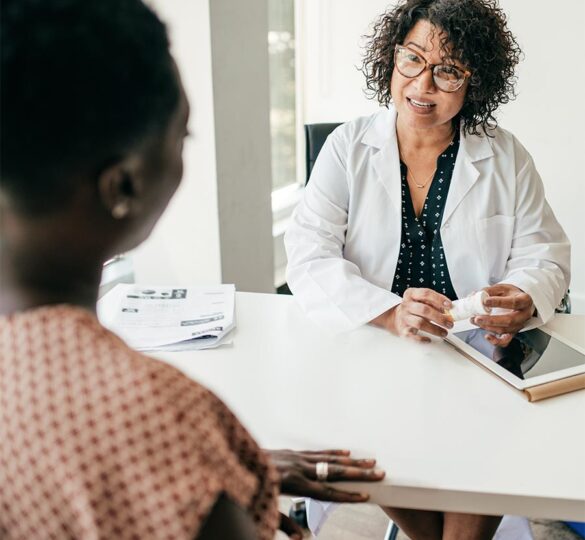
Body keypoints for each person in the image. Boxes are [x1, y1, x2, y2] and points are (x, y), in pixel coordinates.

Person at [0, 1, 385, 538]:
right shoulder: (156, 415)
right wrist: (188, 462)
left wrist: (201, 469)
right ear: (125, 186)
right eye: (184, 136)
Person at [285, 0, 570, 538]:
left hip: (478, 359)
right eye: (412, 60)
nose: (423, 84)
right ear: (391, 59)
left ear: (474, 81)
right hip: (377, 354)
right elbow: (309, 253)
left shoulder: (505, 156)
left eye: (448, 71)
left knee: (481, 459)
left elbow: (546, 253)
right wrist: (390, 313)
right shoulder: (347, 148)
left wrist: (525, 294)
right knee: (394, 465)